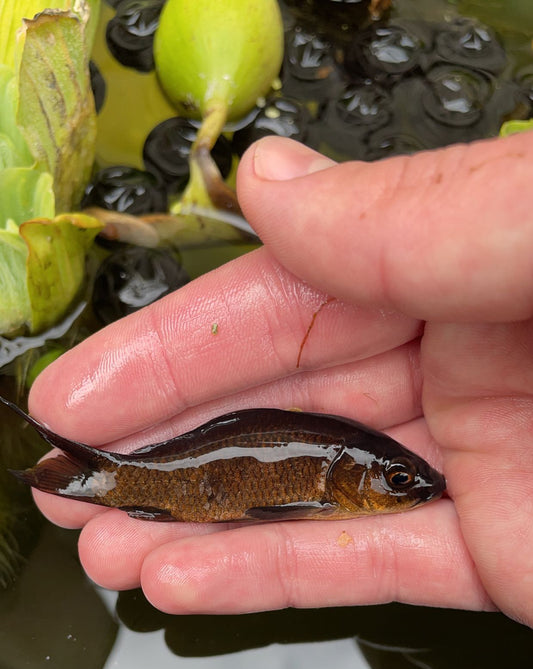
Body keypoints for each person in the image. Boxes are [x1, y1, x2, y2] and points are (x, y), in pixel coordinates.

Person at [29, 132, 533, 624]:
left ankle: (100, 475)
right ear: (349, 475)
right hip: (194, 475)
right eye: (397, 479)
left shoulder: (340, 482)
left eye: (399, 479)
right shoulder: (332, 485)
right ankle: (105, 475)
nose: (407, 486)